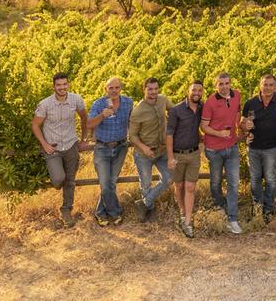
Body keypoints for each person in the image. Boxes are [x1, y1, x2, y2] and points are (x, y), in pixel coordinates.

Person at [31, 73, 90, 228]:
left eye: (64, 84)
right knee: (59, 178)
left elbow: (84, 118)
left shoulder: (76, 100)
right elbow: (35, 125)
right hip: (53, 148)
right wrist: (44, 144)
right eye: (59, 85)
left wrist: (84, 139)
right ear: (54, 87)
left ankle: (66, 210)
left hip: (71, 145)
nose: (62, 87)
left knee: (70, 180)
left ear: (68, 85)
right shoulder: (45, 104)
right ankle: (59, 184)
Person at [242, 74, 276, 224]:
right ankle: (257, 208)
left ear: (275, 86)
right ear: (260, 85)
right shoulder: (251, 103)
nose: (268, 88)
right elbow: (242, 123)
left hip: (271, 147)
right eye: (265, 84)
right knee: (255, 179)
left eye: (271, 85)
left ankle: (269, 209)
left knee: (270, 179)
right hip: (253, 147)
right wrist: (245, 128)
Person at [86, 77, 133, 226]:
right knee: (105, 184)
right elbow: (89, 124)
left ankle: (101, 213)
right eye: (110, 88)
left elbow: (132, 121)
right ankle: (115, 212)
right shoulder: (98, 104)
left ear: (121, 88)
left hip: (121, 147)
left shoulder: (128, 102)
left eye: (116, 87)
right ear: (106, 89)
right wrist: (102, 115)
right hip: (102, 148)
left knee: (111, 183)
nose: (114, 90)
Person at [201, 72, 243, 235]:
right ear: (215, 86)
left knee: (234, 183)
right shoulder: (210, 102)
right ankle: (219, 207)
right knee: (215, 182)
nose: (224, 87)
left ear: (230, 83)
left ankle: (232, 218)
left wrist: (239, 126)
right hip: (214, 149)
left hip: (232, 148)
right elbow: (204, 126)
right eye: (221, 84)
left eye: (227, 83)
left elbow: (237, 113)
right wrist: (220, 134)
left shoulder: (237, 95)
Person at [128, 77, 172, 223]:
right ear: (144, 90)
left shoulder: (163, 100)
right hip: (144, 155)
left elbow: (175, 111)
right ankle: (149, 209)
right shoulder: (137, 111)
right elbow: (132, 136)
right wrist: (144, 148)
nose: (153, 92)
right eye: (150, 89)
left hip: (161, 151)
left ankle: (144, 204)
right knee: (146, 184)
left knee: (169, 178)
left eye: (155, 88)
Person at [165, 80, 204, 238]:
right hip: (177, 155)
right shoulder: (176, 110)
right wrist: (170, 157)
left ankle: (187, 222)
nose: (196, 93)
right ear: (188, 91)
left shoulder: (203, 108)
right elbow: (169, 134)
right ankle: (182, 212)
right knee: (179, 186)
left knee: (190, 187)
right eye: (194, 90)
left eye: (199, 90)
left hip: (194, 154)